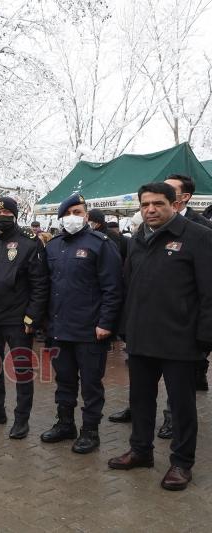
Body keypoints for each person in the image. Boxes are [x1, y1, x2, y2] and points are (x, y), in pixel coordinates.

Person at [109, 182, 212, 491]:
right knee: (140, 400)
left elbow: (209, 293)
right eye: (145, 205)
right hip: (141, 337)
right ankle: (141, 451)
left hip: (181, 340)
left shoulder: (199, 237)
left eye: (158, 204)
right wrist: (125, 328)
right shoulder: (138, 239)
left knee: (181, 406)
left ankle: (181, 463)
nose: (150, 210)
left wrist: (205, 337)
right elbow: (129, 286)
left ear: (174, 204)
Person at [39, 193, 123, 452]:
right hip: (59, 329)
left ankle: (90, 431)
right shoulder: (53, 246)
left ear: (86, 215)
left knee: (91, 384)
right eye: (67, 213)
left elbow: (113, 288)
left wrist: (106, 323)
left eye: (77, 212)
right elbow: (45, 286)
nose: (72, 217)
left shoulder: (101, 244)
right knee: (64, 380)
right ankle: (65, 423)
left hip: (90, 331)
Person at [0, 197, 49, 439]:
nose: (1, 217)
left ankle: (21, 419)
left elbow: (40, 284)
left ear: (15, 216)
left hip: (17, 319)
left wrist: (32, 317)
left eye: (7, 214)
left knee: (22, 370)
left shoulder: (29, 243)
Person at [164, 174, 212, 393]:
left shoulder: (202, 229)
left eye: (169, 190)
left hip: (187, 319)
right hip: (158, 316)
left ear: (185, 197)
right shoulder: (152, 223)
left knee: (181, 380)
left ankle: (174, 412)